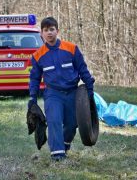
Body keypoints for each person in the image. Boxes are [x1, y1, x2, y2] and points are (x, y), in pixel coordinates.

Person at [28, 17, 95, 161]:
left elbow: (82, 69)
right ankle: (57, 156)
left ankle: (64, 145)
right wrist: (32, 98)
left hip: (72, 92)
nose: (49, 33)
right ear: (41, 34)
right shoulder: (38, 56)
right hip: (53, 94)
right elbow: (34, 79)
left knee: (72, 124)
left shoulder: (71, 48)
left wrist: (89, 89)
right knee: (54, 121)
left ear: (57, 31)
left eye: (52, 29)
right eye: (46, 30)